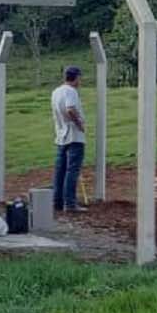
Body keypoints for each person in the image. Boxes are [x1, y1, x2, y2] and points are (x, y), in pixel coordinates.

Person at [50, 65, 87, 213]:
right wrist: (79, 124)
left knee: (60, 170)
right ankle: (70, 203)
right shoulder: (71, 91)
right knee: (72, 170)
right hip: (74, 135)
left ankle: (57, 201)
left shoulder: (56, 91)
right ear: (76, 77)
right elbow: (70, 108)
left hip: (61, 134)